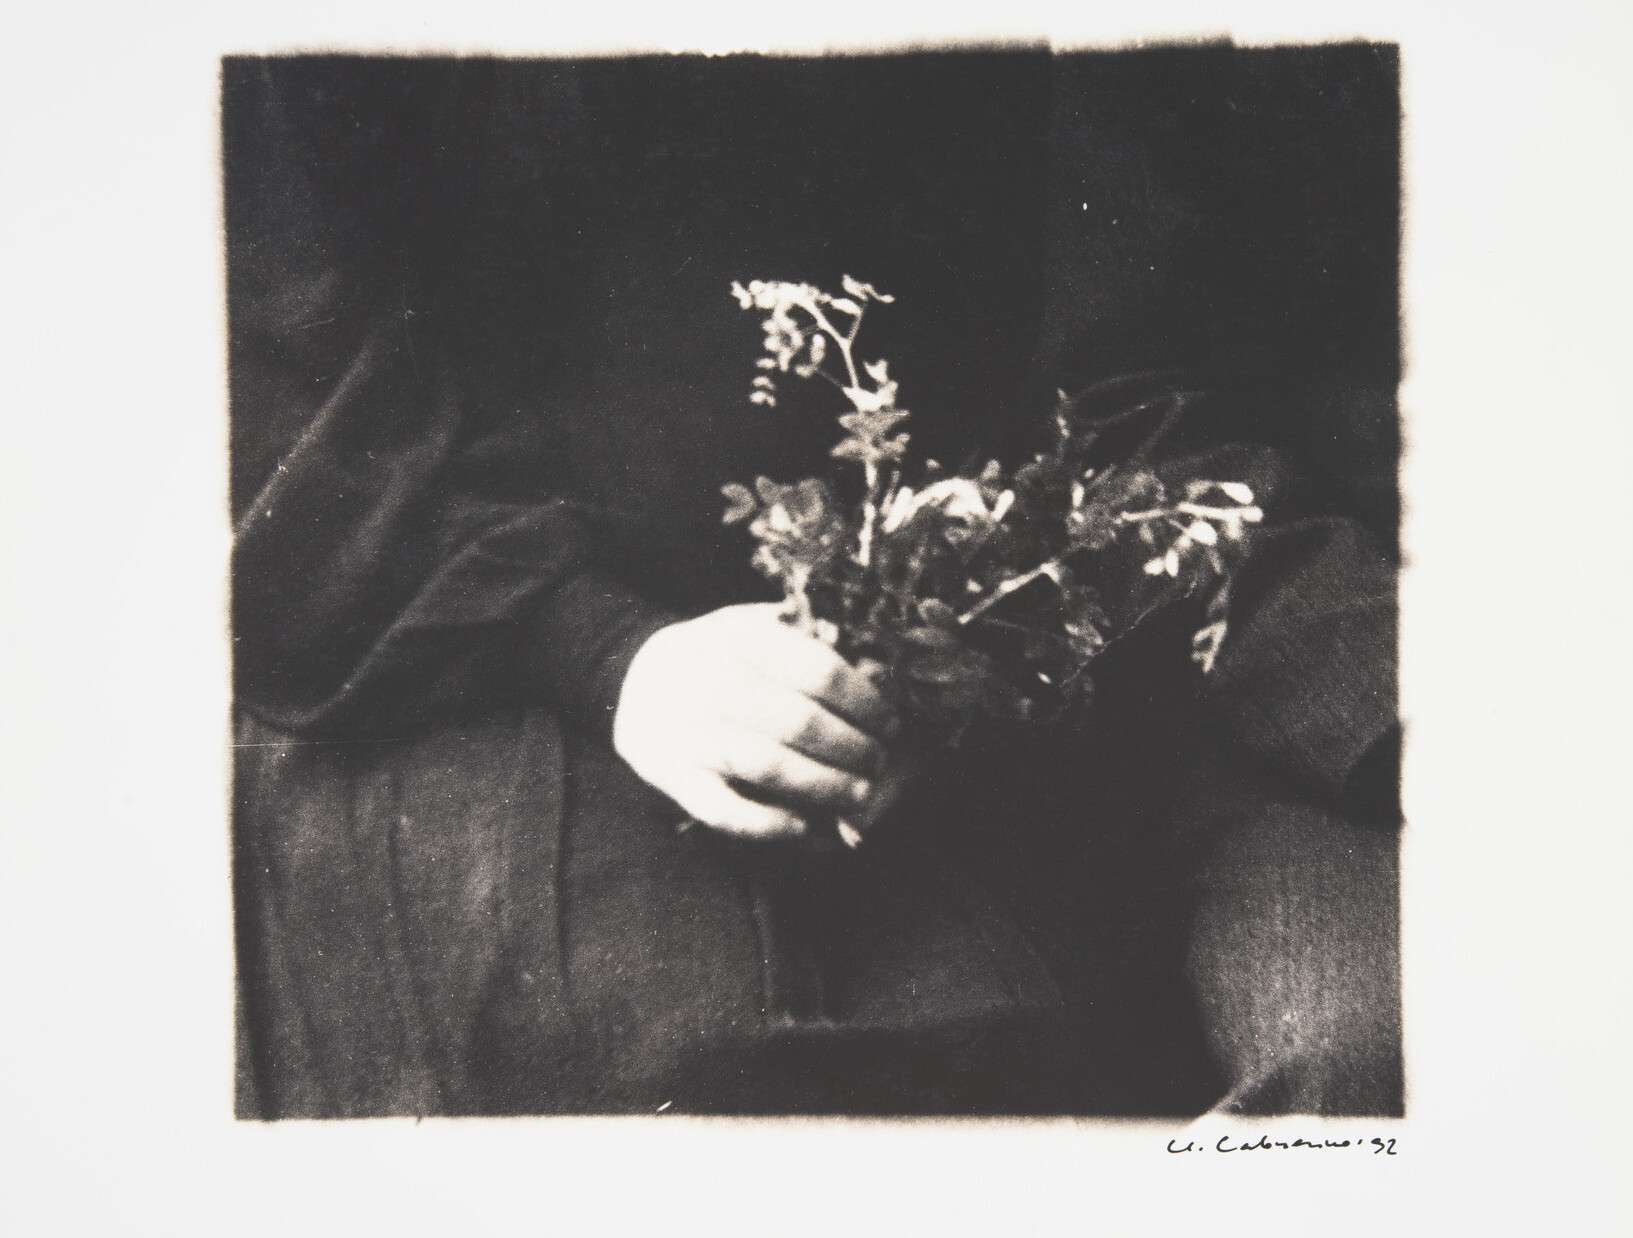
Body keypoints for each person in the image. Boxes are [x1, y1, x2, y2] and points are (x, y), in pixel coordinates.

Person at [228, 49, 1402, 1117]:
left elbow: (1112, 376)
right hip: (449, 640)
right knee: (703, 1057)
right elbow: (280, 395)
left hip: (916, 672)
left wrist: (923, 629)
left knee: (1004, 1049)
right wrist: (607, 649)